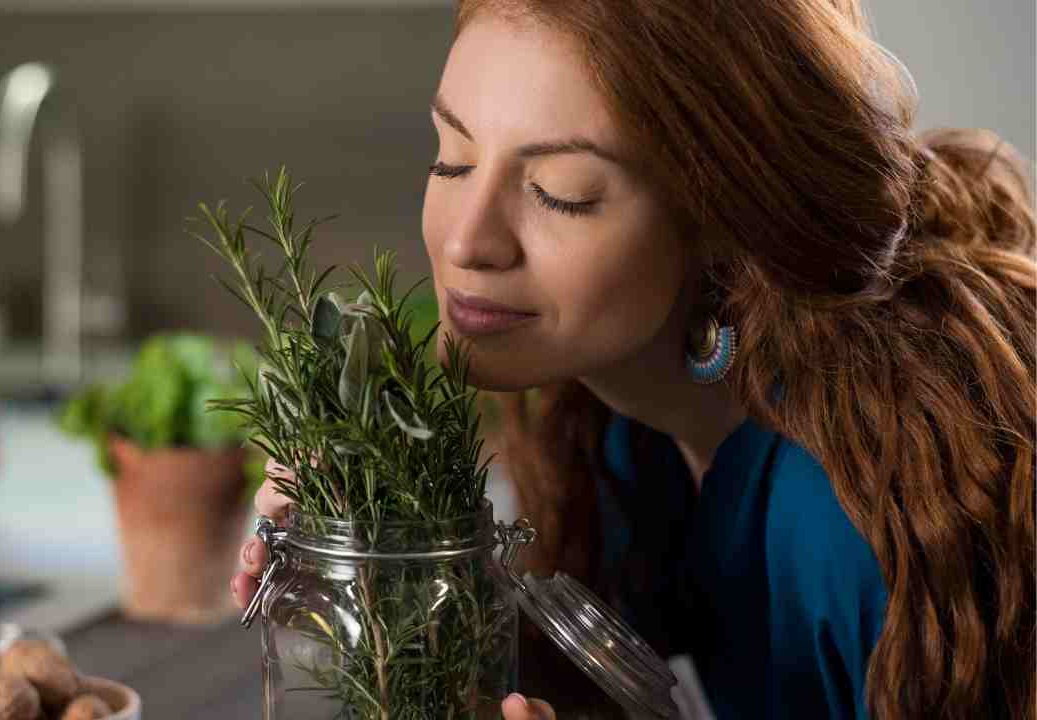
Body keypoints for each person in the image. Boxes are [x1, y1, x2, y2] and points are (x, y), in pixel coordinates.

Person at [232, 1, 1036, 718]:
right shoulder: (619, 424)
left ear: (727, 216)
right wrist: (381, 551)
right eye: (452, 157)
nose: (467, 240)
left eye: (563, 191)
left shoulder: (845, 516)